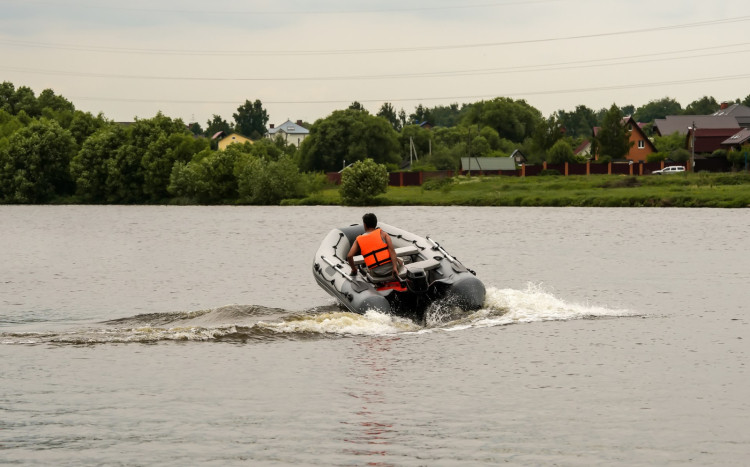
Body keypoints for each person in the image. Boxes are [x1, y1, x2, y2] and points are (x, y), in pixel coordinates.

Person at [347, 213, 403, 280]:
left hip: (376, 273)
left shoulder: (358, 239)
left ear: (364, 225)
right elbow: (392, 251)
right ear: (375, 224)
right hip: (391, 270)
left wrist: (354, 270)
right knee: (400, 260)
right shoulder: (383, 234)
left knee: (365, 268)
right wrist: (394, 267)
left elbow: (349, 256)